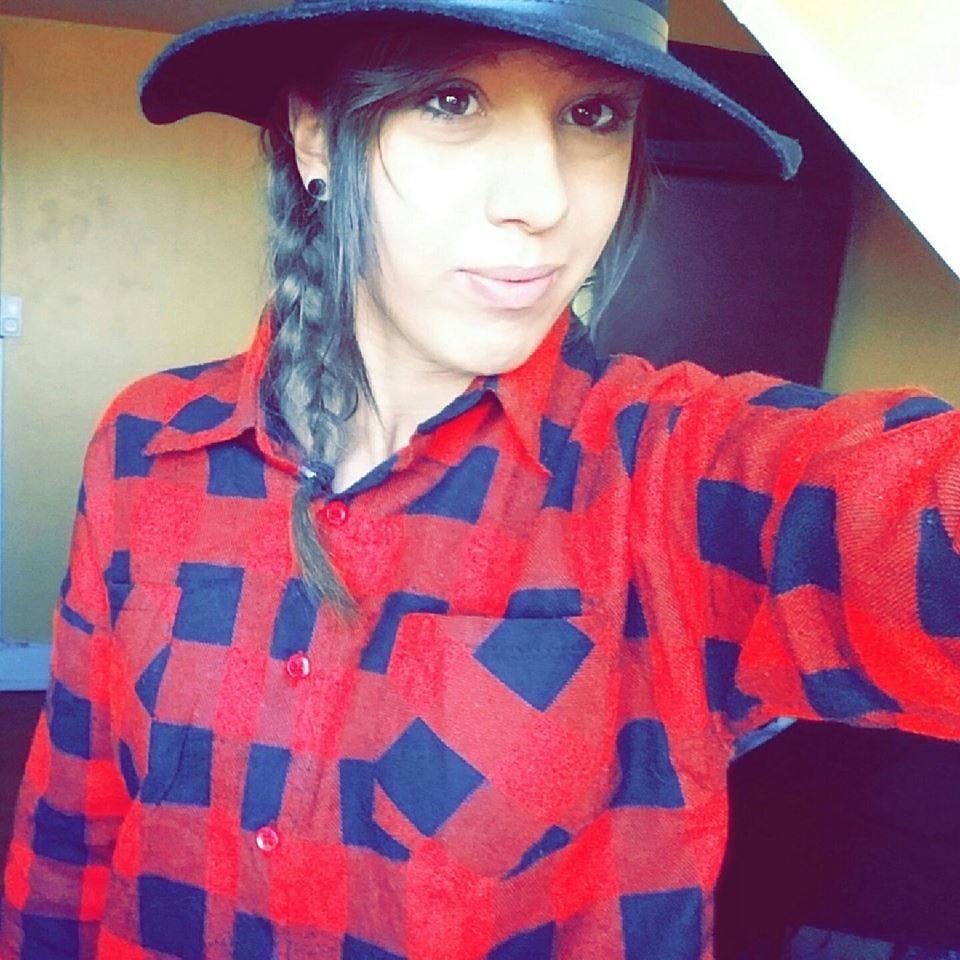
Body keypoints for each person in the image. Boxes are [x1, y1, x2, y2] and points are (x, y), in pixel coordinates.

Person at [1, 1, 957, 958]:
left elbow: (901, 516)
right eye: (451, 100)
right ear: (315, 135)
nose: (544, 200)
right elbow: (70, 821)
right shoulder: (148, 443)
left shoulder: (670, 474)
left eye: (594, 116)